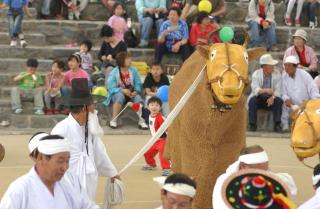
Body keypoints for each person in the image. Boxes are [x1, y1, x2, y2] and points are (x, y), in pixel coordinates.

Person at [51, 78, 120, 201]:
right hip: (68, 181)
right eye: (93, 106)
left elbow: (100, 153)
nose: (95, 110)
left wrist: (113, 173)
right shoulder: (61, 129)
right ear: (84, 108)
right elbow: (50, 159)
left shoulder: (90, 128)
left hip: (89, 180)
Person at [0, 134, 99, 209]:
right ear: (40, 158)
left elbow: (87, 206)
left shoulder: (68, 185)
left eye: (67, 161)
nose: (65, 167)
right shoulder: (19, 190)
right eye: (60, 161)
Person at [212, 145, 297, 209]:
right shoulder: (224, 182)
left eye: (266, 170)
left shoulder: (267, 179)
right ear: (243, 167)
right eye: (258, 171)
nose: (263, 175)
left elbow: (288, 187)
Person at [103, 52, 148, 129]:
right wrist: (122, 90)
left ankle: (142, 121)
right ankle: (114, 120)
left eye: (130, 58)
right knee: (119, 96)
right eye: (127, 58)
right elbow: (111, 88)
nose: (130, 60)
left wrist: (136, 91)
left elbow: (138, 83)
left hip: (131, 93)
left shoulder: (134, 70)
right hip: (117, 93)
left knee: (138, 99)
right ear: (121, 60)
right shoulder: (114, 72)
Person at [281, 55, 320, 131]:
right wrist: (287, 100)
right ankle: (284, 126)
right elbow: (283, 92)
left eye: (289, 65)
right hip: (292, 105)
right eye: (285, 65)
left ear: (295, 66)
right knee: (283, 104)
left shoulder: (305, 75)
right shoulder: (284, 77)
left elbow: (313, 91)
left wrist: (309, 103)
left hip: (306, 103)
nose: (286, 68)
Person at [248, 54, 283, 132]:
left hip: (272, 98)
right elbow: (255, 89)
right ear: (264, 67)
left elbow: (278, 90)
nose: (273, 67)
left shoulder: (277, 74)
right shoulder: (256, 74)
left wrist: (272, 97)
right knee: (252, 101)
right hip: (259, 97)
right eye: (271, 65)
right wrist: (266, 90)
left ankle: (277, 124)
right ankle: (252, 125)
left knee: (279, 101)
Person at [142, 96, 171, 176]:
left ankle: (166, 169)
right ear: (148, 107)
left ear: (160, 107)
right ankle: (151, 164)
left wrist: (170, 139)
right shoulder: (148, 114)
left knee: (163, 154)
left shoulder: (160, 118)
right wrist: (133, 105)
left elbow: (167, 128)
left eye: (157, 105)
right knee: (147, 153)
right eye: (152, 105)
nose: (154, 107)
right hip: (154, 140)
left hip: (162, 140)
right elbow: (139, 110)